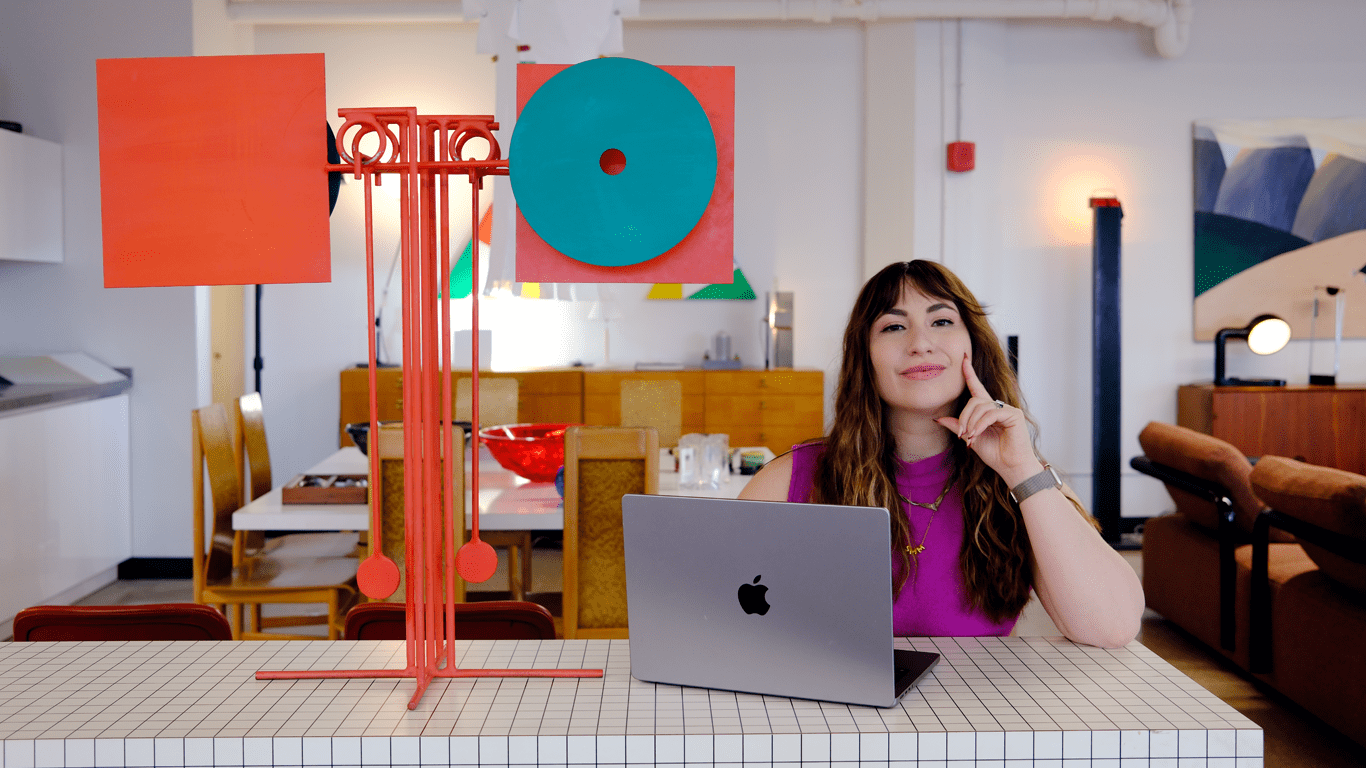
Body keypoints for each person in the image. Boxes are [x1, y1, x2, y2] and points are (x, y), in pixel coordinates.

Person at [740, 260, 1143, 648]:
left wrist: (1020, 469)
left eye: (942, 321)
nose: (920, 344)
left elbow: (1112, 626)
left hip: (974, 714)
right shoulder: (793, 478)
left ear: (975, 346)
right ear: (865, 358)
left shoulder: (1024, 481)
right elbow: (711, 608)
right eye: (894, 326)